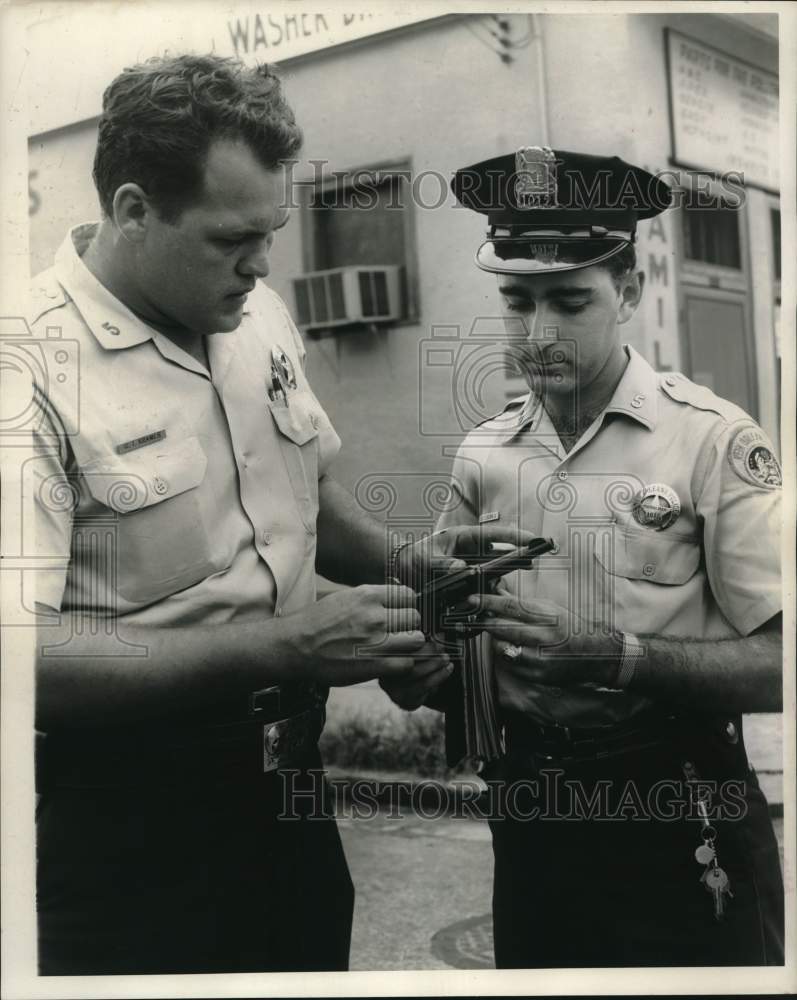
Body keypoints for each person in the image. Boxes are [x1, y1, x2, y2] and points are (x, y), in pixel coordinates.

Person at [28, 54, 527, 976]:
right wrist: (283, 647)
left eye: (274, 233)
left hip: (290, 792)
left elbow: (307, 499)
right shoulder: (28, 367)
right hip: (131, 821)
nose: (260, 266)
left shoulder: (252, 315)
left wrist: (405, 563)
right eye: (231, 241)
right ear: (133, 210)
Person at [382, 146, 784, 967]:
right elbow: (437, 649)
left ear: (628, 292)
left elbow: (780, 664)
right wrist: (415, 663)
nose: (538, 332)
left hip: (678, 800)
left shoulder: (712, 441)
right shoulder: (485, 453)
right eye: (516, 301)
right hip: (530, 811)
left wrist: (614, 656)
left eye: (569, 301)